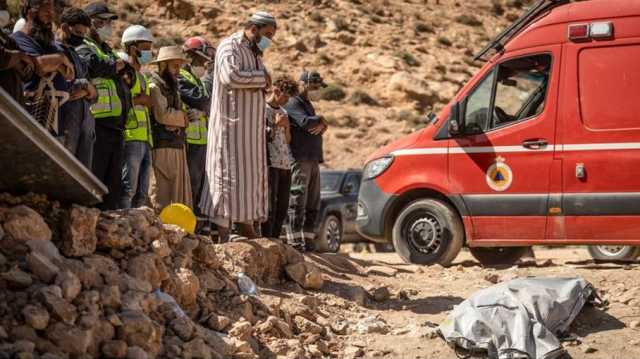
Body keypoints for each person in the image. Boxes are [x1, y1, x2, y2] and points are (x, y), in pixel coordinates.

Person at [199, 11, 276, 242]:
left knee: (247, 180)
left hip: (250, 130)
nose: (268, 40)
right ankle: (224, 234)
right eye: (267, 34)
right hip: (230, 129)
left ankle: (245, 226)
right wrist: (262, 78)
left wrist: (261, 75)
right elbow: (229, 76)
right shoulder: (229, 46)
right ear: (253, 29)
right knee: (226, 177)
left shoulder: (255, 52)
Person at [77, 1, 132, 210]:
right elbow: (94, 65)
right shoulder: (82, 44)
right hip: (97, 123)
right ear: (89, 23)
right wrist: (116, 66)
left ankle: (110, 228)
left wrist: (120, 67)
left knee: (113, 185)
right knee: (96, 178)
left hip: (116, 126)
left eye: (109, 21)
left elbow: (127, 72)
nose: (107, 25)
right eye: (102, 21)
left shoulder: (106, 48)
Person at [12, 0, 75, 135]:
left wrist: (56, 62)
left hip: (56, 124)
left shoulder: (50, 45)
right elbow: (39, 66)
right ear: (30, 11)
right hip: (32, 122)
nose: (51, 16)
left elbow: (70, 73)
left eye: (52, 11)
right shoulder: (17, 40)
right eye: (46, 11)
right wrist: (59, 59)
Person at [284, 70, 329, 248]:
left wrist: (320, 122)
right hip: (299, 157)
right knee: (298, 199)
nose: (317, 90)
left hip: (312, 158)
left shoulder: (308, 104)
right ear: (303, 85)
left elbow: (314, 124)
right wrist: (320, 119)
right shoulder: (293, 102)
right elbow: (304, 122)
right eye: (314, 87)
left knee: (312, 201)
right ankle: (295, 240)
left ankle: (308, 239)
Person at [148, 45, 192, 210]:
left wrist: (181, 118)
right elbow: (163, 115)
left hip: (176, 145)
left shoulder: (171, 86)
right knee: (163, 194)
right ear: (164, 65)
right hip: (163, 146)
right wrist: (184, 118)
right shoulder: (154, 86)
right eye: (175, 66)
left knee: (179, 195)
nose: (178, 71)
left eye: (179, 66)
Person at [119, 25, 155, 209]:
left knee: (142, 193)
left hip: (145, 139)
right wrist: (140, 100)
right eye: (146, 48)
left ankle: (137, 231)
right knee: (128, 189)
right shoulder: (123, 71)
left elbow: (148, 102)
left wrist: (144, 100)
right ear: (133, 48)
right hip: (131, 137)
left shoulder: (141, 76)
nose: (149, 53)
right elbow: (122, 101)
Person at [179, 36, 212, 231]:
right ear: (190, 57)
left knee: (200, 187)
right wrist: (204, 105)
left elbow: (206, 103)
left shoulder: (197, 80)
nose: (203, 65)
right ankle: (189, 228)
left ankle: (199, 229)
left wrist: (204, 109)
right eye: (201, 60)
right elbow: (203, 100)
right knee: (191, 186)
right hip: (189, 140)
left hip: (201, 140)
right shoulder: (181, 77)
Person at [57, 7, 96, 169]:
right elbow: (66, 88)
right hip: (65, 124)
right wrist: (85, 86)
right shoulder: (55, 52)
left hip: (85, 125)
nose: (81, 39)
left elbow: (94, 94)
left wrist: (88, 88)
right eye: (78, 33)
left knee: (83, 175)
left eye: (83, 35)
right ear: (65, 28)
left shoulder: (76, 56)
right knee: (64, 169)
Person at [262, 76, 298, 239]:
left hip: (285, 163)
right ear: (276, 91)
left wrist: (286, 126)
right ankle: (267, 237)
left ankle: (276, 237)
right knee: (270, 203)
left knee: (283, 204)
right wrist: (276, 125)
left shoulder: (284, 112)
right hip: (270, 162)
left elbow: (288, 139)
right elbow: (263, 136)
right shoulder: (263, 109)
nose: (286, 101)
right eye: (284, 96)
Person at [0, 0, 37, 104]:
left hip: (12, 107)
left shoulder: (7, 39)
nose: (5, 9)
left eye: (4, 5)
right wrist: (19, 56)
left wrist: (15, 59)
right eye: (1, 5)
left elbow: (28, 71)